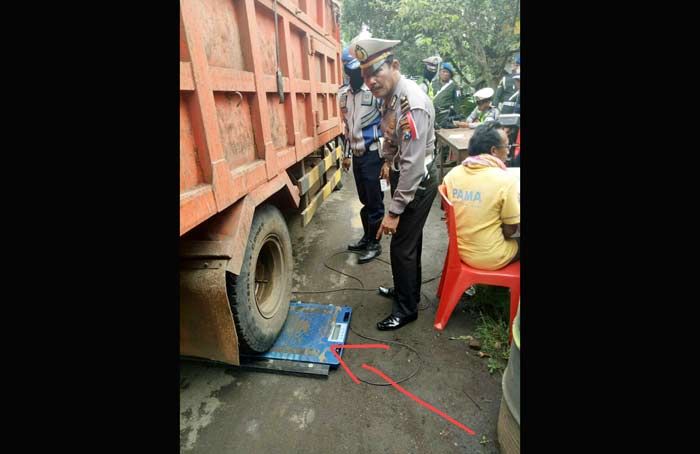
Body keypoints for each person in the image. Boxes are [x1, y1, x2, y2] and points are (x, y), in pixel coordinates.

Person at [350, 35, 438, 330]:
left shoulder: (410, 102)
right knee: (409, 243)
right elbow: (390, 136)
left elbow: (413, 164)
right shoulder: (389, 97)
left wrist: (394, 211)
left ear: (394, 65)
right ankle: (406, 292)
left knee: (401, 246)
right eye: (366, 74)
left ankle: (406, 309)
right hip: (405, 173)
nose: (371, 80)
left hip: (418, 179)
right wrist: (388, 161)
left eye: (376, 71)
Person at [442, 121, 520, 270]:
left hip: (458, 250)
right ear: (494, 151)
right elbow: (510, 229)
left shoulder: (453, 174)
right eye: (507, 146)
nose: (509, 151)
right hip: (489, 257)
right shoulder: (506, 181)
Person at [339, 46, 384, 264]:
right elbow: (347, 128)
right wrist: (347, 155)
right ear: (347, 71)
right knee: (365, 200)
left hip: (374, 154)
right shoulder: (343, 95)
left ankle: (375, 244)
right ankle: (367, 237)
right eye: (353, 70)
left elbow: (389, 122)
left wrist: (388, 159)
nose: (357, 75)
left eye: (360, 70)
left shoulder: (375, 93)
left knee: (375, 201)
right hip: (357, 155)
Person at [431, 62, 458, 129]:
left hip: (445, 116)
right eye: (443, 71)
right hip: (433, 115)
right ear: (440, 73)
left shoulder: (454, 86)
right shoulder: (433, 84)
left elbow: (457, 104)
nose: (445, 74)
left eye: (447, 72)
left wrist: (455, 117)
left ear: (450, 75)